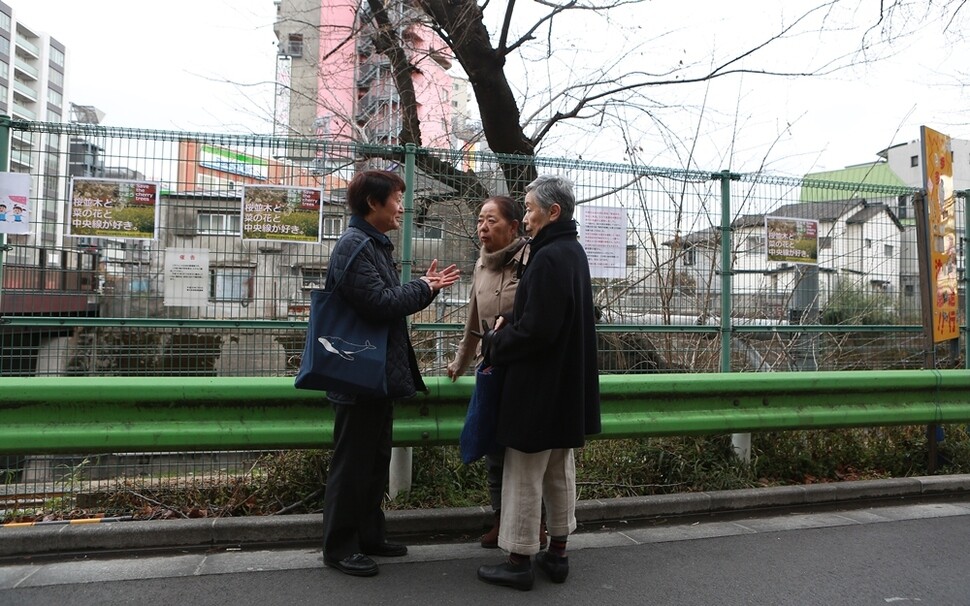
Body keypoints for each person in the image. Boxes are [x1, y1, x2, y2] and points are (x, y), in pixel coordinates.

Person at [321, 169, 460, 578]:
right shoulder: (354, 246)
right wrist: (423, 287)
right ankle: (340, 547)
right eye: (397, 199)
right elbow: (379, 303)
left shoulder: (371, 244)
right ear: (373, 204)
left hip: (373, 372)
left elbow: (384, 300)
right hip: (356, 372)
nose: (402, 206)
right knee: (353, 463)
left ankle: (368, 535)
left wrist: (423, 286)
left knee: (374, 459)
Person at [476, 175, 601, 591]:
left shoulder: (547, 258)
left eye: (529, 209)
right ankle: (558, 553)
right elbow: (555, 319)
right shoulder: (573, 253)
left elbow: (537, 331)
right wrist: (516, 322)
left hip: (538, 389)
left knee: (524, 473)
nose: (525, 217)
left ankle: (517, 559)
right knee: (558, 471)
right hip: (566, 388)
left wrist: (494, 341)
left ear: (553, 213)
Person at [446, 195, 545, 549]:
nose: (483, 227)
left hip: (525, 369)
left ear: (514, 226)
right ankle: (501, 518)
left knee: (527, 450)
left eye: (491, 220)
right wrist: (461, 360)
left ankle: (537, 524)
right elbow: (474, 319)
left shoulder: (534, 260)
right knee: (495, 449)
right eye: (479, 221)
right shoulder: (480, 266)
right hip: (492, 368)